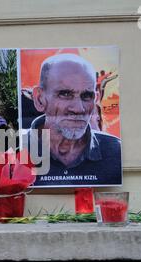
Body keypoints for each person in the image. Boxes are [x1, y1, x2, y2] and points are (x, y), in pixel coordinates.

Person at [28, 53, 121, 186]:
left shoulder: (115, 152)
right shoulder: (15, 152)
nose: (79, 109)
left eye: (87, 95)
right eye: (65, 94)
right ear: (39, 99)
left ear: (96, 99)